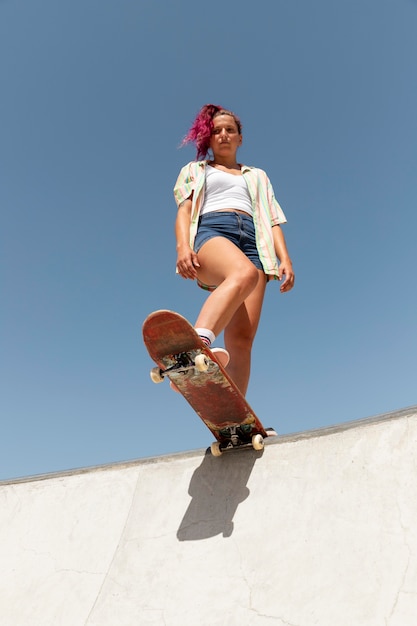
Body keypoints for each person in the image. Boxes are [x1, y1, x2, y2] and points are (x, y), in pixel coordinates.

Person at [174, 104, 295, 396]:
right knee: (242, 274)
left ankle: (236, 419)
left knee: (242, 339)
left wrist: (285, 258)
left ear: (240, 138)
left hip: (255, 244)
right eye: (217, 131)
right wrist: (182, 248)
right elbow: (184, 209)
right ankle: (193, 350)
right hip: (213, 231)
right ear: (208, 138)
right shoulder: (196, 170)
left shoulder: (258, 176)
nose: (224, 135)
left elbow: (273, 219)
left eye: (230, 130)